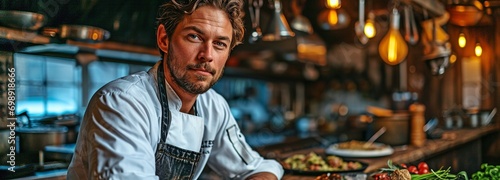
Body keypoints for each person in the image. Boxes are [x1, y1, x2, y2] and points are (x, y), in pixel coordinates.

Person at [66, 0, 284, 179]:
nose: (207, 55)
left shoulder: (213, 106)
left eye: (219, 43)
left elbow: (256, 168)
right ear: (164, 39)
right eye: (195, 37)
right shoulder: (121, 103)